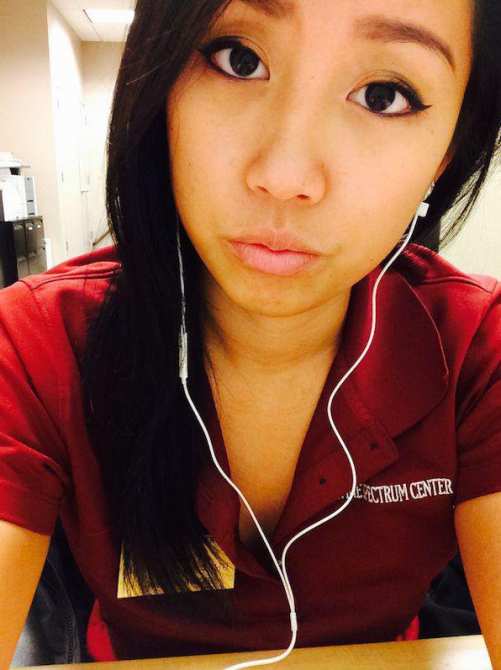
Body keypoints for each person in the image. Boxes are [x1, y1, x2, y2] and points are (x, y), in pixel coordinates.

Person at [0, 0, 500, 668]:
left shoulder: (478, 349)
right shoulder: (37, 341)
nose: (284, 177)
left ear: (445, 155)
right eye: (239, 59)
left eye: (384, 95)